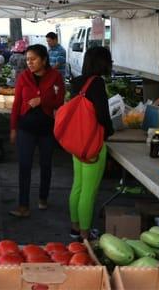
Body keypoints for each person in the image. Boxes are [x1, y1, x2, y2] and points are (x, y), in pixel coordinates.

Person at [9, 44, 65, 217]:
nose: (29, 63)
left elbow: (60, 100)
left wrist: (42, 101)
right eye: (27, 60)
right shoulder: (23, 76)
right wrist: (13, 128)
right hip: (26, 128)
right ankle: (23, 205)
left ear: (44, 60)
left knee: (46, 164)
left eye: (33, 59)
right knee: (24, 166)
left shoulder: (55, 76)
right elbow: (17, 104)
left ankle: (43, 197)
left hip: (47, 129)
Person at [69, 46, 114, 240]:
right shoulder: (97, 83)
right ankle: (86, 235)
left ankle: (75, 228)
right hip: (93, 144)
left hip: (76, 142)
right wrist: (110, 131)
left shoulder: (76, 82)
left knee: (78, 185)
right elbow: (102, 115)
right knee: (89, 189)